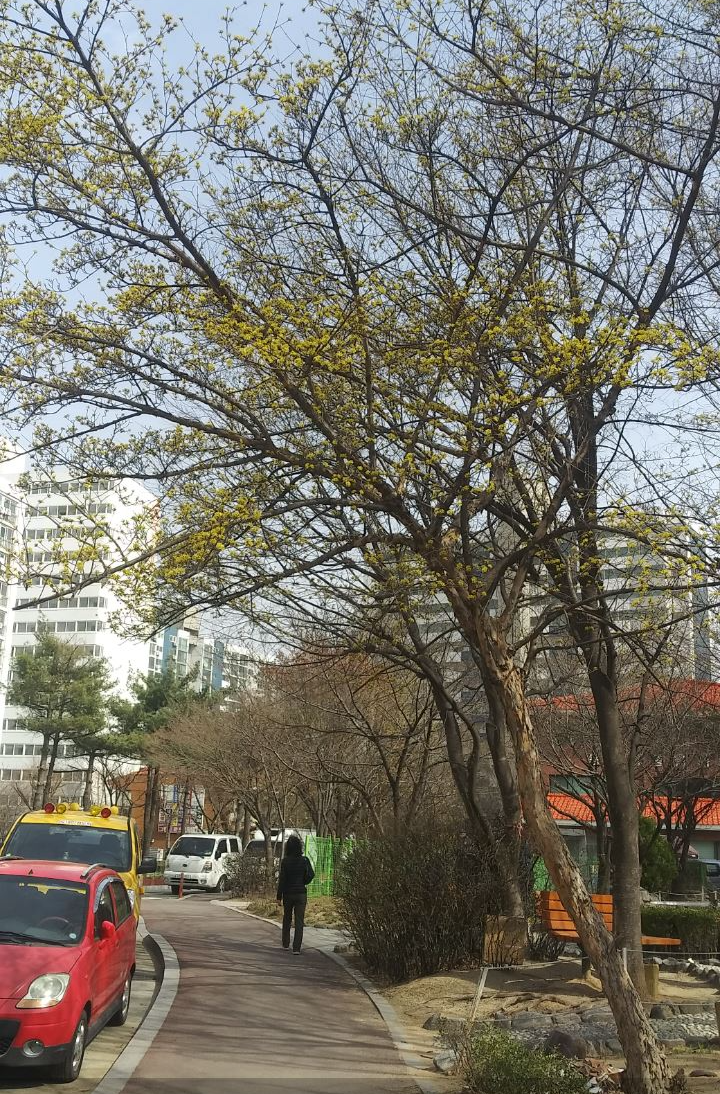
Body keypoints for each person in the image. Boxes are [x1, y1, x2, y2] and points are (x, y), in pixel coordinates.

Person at [276, 835, 315, 954]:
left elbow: (282, 880)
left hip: (288, 893)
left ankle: (285, 943)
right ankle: (296, 948)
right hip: (301, 893)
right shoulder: (304, 860)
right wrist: (304, 881)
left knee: (287, 918)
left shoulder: (285, 861)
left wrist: (278, 897)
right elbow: (311, 874)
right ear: (299, 847)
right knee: (299, 921)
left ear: (288, 848)